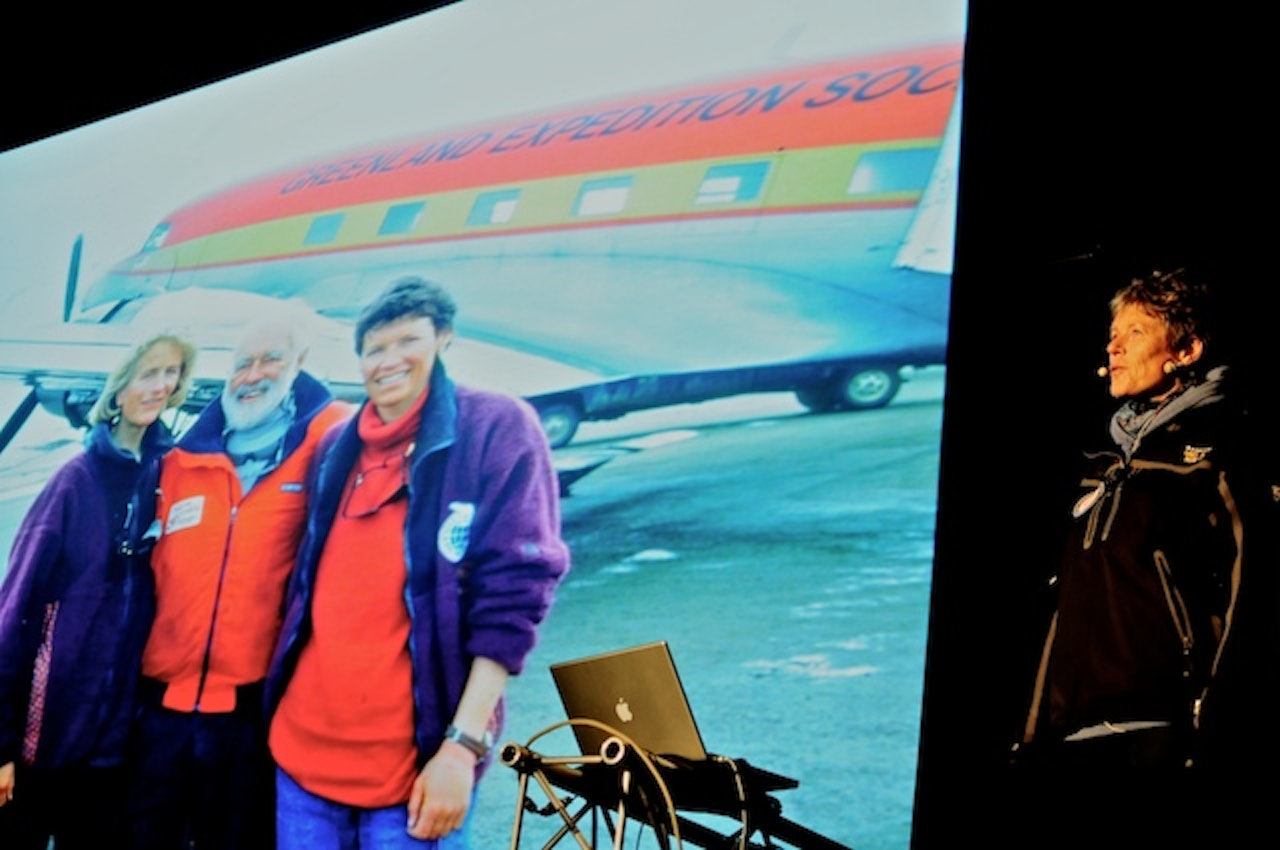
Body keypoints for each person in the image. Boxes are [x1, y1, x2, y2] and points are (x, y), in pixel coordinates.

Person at [264, 275, 570, 849]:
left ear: (444, 339)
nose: (389, 361)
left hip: (416, 766)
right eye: (374, 349)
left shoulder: (496, 429)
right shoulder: (337, 446)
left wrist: (462, 746)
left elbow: (515, 599)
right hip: (304, 758)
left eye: (407, 341)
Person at [1009, 267, 1280, 846]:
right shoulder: (1102, 463)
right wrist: (1032, 731)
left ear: (1186, 350)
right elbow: (1063, 610)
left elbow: (1249, 589)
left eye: (1134, 331)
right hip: (1075, 735)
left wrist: (1213, 721)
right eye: (1113, 331)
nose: (1113, 345)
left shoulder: (1223, 448)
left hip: (1164, 730)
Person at [125, 307, 351, 850]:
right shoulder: (178, 463)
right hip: (159, 714)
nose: (253, 375)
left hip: (250, 716)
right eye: (241, 363)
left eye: (271, 359)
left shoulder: (330, 446)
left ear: (301, 364)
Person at [0, 332, 196, 849]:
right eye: (148, 372)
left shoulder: (170, 474)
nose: (161, 385)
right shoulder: (73, 481)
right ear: (118, 385)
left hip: (116, 739)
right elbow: (14, 608)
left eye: (171, 373)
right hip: (46, 735)